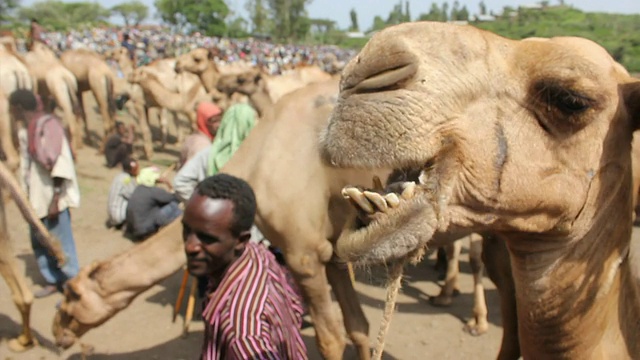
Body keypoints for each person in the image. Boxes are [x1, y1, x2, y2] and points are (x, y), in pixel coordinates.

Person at [182, 174, 307, 359]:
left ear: (241, 240)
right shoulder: (258, 254)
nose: (190, 246)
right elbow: (294, 307)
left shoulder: (242, 335)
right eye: (186, 230)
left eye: (207, 238)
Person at [9, 89, 80, 298]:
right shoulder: (26, 132)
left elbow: (61, 163)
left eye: (12, 109)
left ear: (19, 108)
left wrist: (55, 199)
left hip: (52, 197)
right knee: (39, 241)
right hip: (34, 198)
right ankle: (52, 280)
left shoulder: (49, 128)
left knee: (61, 241)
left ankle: (70, 284)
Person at [173, 103, 257, 202]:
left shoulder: (208, 153)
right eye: (213, 120)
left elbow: (180, 182)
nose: (218, 124)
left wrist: (204, 204)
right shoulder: (255, 159)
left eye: (219, 119)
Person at [125, 166, 182, 241]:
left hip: (134, 229)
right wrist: (169, 185)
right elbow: (175, 198)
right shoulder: (153, 191)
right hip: (146, 229)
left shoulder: (137, 189)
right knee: (173, 205)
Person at [178, 102, 223, 169]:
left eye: (219, 120)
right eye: (214, 121)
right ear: (203, 121)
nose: (218, 125)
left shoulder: (196, 137)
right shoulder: (201, 145)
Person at [106, 157, 139, 229]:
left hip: (112, 214)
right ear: (132, 169)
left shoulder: (119, 177)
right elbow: (134, 196)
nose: (138, 171)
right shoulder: (127, 180)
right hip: (119, 216)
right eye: (136, 169)